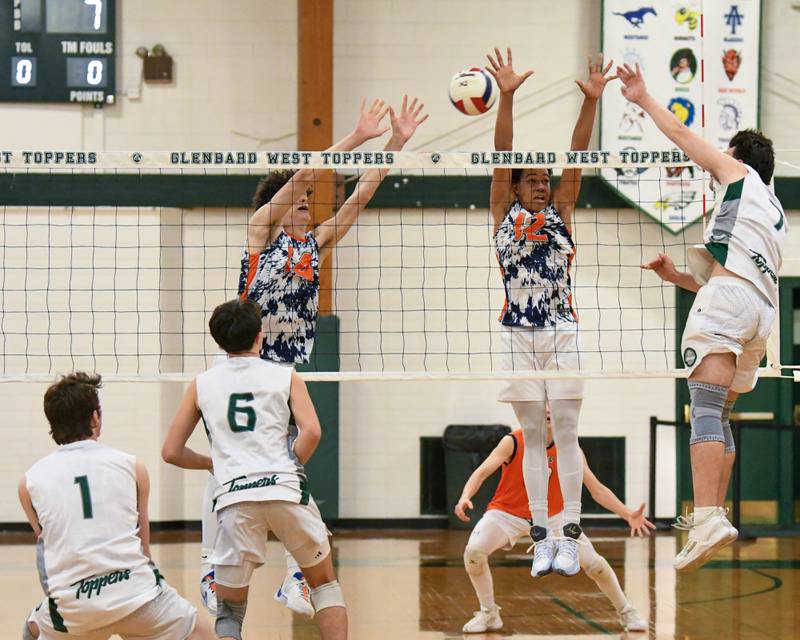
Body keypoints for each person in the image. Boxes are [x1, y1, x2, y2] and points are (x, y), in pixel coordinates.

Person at [193, 96, 430, 617]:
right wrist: (355, 137)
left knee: (282, 469)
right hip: (239, 367)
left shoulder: (314, 245)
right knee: (233, 465)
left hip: (279, 372)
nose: (306, 204)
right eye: (297, 199)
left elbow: (360, 197)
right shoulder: (260, 234)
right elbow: (303, 178)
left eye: (307, 201)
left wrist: (394, 145)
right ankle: (217, 568)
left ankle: (296, 573)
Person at [618, 61, 788, 570]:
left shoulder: (738, 174)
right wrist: (675, 277)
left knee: (705, 411)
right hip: (759, 310)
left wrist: (643, 98)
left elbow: (681, 134)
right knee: (721, 411)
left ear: (737, 158)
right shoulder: (774, 208)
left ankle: (710, 514)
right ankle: (714, 515)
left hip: (731, 303)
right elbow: (730, 278)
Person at [485, 47, 616, 578]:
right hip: (517, 334)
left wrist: (592, 103)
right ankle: (541, 535)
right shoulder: (503, 211)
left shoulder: (561, 211)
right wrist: (508, 97)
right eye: (532, 179)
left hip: (562, 332)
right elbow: (501, 151)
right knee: (531, 440)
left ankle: (570, 534)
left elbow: (576, 158)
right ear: (515, 187)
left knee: (566, 434)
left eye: (545, 180)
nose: (542, 184)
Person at [163, 298, 346, 640]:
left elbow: (171, 451)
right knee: (324, 586)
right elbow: (313, 431)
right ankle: (295, 583)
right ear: (260, 336)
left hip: (235, 498)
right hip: (286, 488)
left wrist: (212, 464)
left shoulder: (200, 384)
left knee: (230, 612)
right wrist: (292, 464)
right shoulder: (285, 376)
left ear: (219, 342)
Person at [19, 373, 216, 640]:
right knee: (202, 632)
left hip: (74, 611)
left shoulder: (29, 482)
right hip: (138, 598)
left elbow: (50, 551)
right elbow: (143, 550)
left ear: (53, 423)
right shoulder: (132, 467)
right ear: (95, 417)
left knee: (32, 628)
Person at [455, 412, 651, 634]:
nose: (548, 410)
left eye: (552, 405)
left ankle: (626, 610)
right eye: (543, 406)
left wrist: (627, 514)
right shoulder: (514, 441)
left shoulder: (570, 448)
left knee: (595, 565)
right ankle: (489, 614)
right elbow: (481, 473)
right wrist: (465, 496)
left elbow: (596, 489)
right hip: (507, 514)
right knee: (473, 552)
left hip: (553, 518)